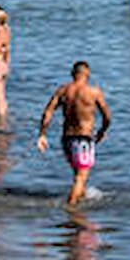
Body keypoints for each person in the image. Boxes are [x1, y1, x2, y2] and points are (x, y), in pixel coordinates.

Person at [37, 61, 112, 206]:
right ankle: (71, 209)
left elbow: (47, 112)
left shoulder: (63, 91)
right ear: (88, 74)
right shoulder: (93, 92)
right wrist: (102, 131)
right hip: (83, 138)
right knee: (81, 177)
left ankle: (80, 198)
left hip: (67, 139)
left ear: (72, 74)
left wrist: (42, 134)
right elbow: (107, 116)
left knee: (78, 174)